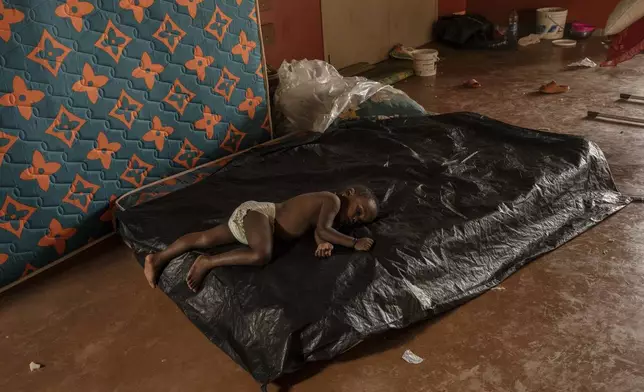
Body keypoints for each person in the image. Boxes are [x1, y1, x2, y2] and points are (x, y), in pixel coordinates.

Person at [144, 186, 379, 291]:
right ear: (349, 193)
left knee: (205, 237)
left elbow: (321, 231)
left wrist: (323, 244)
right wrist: (353, 243)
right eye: (358, 211)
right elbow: (325, 229)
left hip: (257, 220)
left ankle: (157, 258)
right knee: (261, 254)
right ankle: (208, 262)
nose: (356, 220)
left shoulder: (334, 214)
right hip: (261, 216)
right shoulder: (333, 200)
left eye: (361, 221)